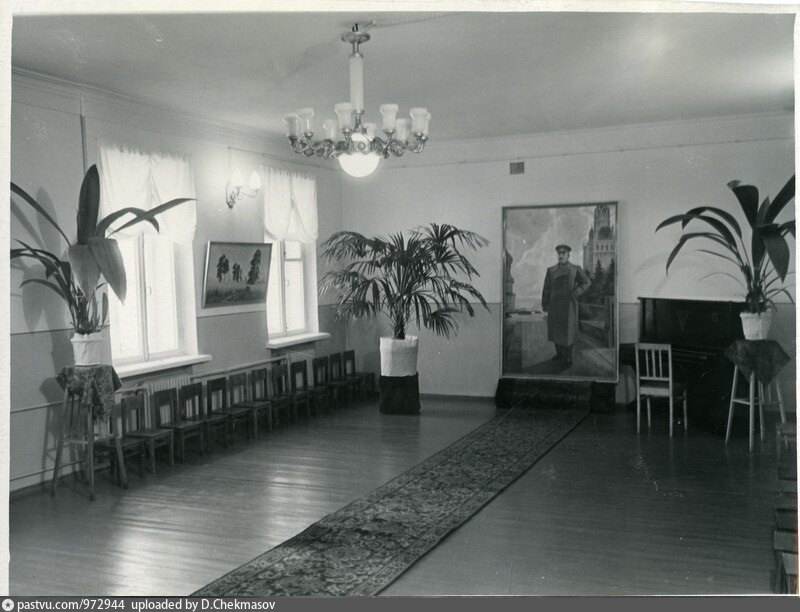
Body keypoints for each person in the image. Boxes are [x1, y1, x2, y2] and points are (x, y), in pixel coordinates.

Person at [541, 244, 590, 367]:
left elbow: (586, 282)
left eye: (564, 253)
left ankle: (568, 357)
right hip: (555, 305)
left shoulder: (575, 269)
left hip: (569, 306)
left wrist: (576, 292)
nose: (561, 255)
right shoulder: (551, 270)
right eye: (559, 253)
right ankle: (559, 354)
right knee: (556, 331)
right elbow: (546, 289)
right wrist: (545, 303)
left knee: (568, 331)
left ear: (568, 255)